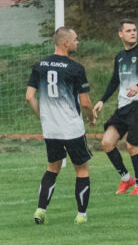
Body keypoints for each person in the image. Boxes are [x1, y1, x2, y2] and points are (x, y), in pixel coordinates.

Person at [27, 27, 96, 225]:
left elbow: (29, 96)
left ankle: (40, 210)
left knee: (52, 168)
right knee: (82, 169)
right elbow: (85, 103)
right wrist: (91, 117)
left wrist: (42, 116)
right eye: (75, 39)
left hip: (51, 129)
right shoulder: (75, 68)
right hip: (71, 127)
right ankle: (81, 215)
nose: (77, 42)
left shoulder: (40, 65)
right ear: (66, 43)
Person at [93, 20, 138, 195]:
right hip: (124, 106)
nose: (133, 33)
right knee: (106, 143)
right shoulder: (120, 56)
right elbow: (115, 80)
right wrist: (102, 100)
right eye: (128, 30)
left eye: (135, 30)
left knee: (131, 145)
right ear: (120, 34)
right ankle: (126, 179)